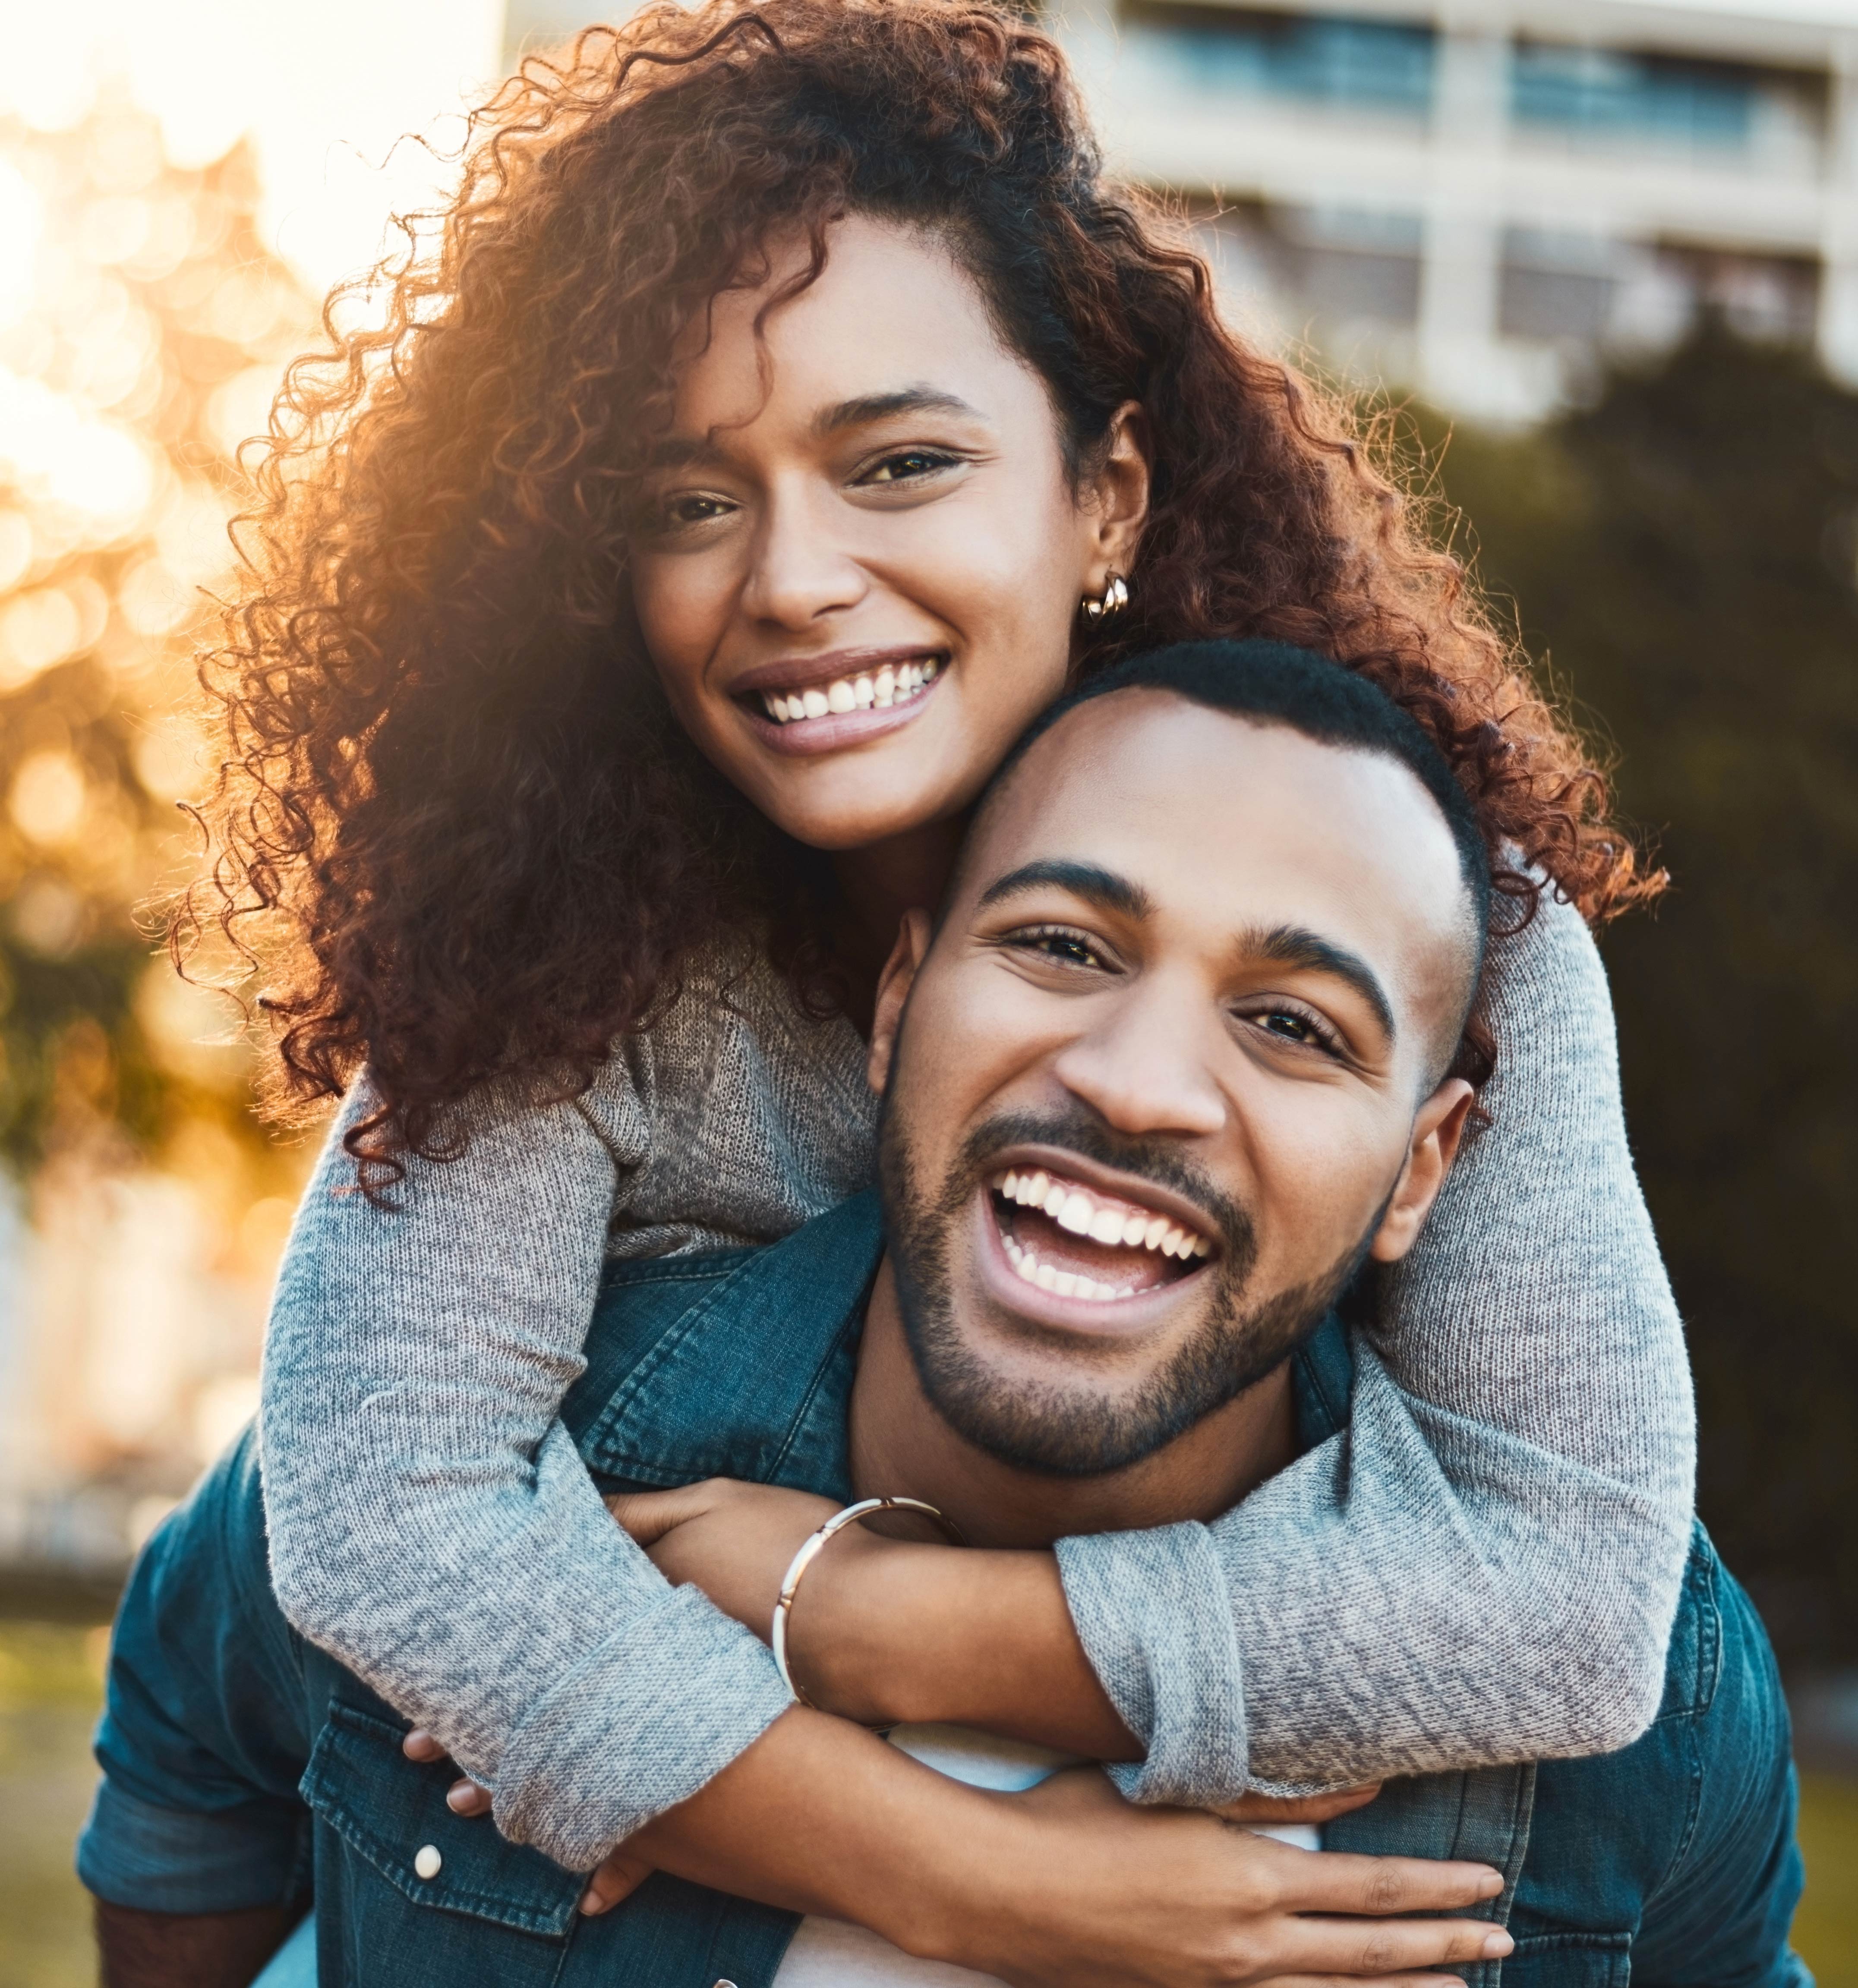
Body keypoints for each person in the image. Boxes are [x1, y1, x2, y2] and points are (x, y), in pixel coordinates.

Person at [186, 0, 1693, 1885]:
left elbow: (1572, 1599)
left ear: (1108, 496)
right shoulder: (554, 931)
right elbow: (389, 1513)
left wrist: (865, 1618)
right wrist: (1005, 1886)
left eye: (900, 464)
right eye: (688, 501)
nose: (795, 580)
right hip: (235, 1739)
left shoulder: (1427, 911)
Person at [88, 646, 1801, 1988]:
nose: (1140, 1089)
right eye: (1063, 945)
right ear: (900, 1002)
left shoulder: (1652, 1715)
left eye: (1292, 1026)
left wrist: (854, 1624)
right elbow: (190, 1721)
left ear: (1428, 1167)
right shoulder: (507, 1500)